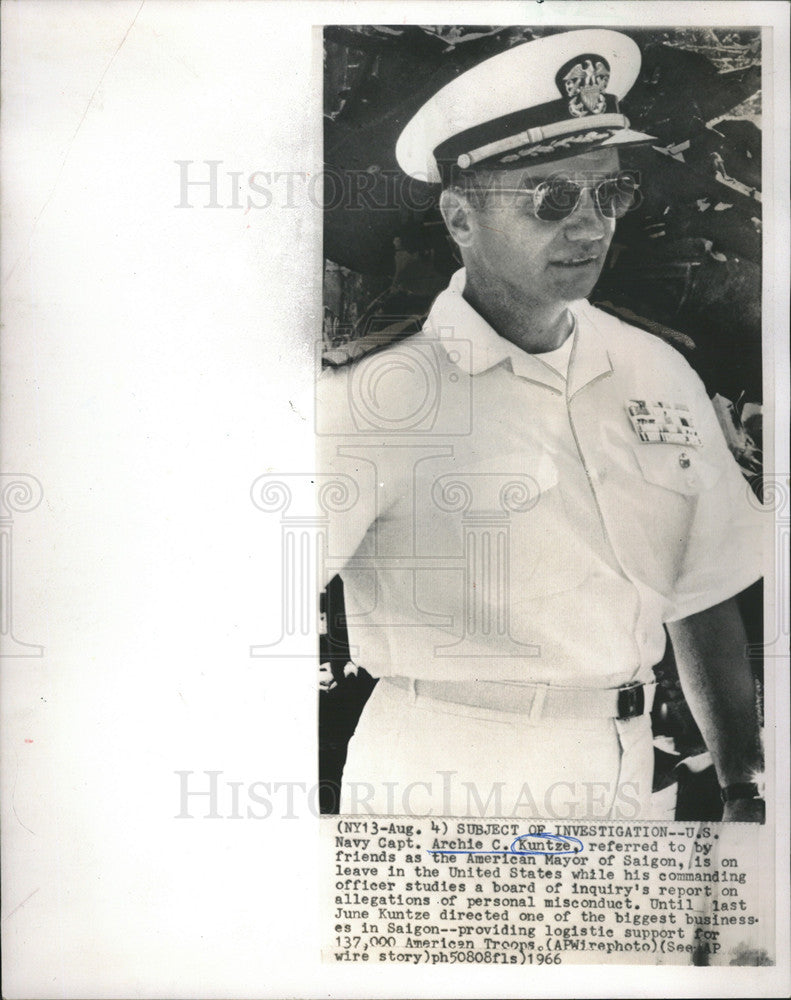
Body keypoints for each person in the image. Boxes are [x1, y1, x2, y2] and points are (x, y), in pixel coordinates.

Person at [316, 29, 765, 820]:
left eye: (608, 194)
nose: (590, 227)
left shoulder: (652, 368)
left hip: (630, 776)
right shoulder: (377, 395)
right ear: (459, 216)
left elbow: (702, 586)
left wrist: (741, 786)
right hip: (448, 772)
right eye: (550, 200)